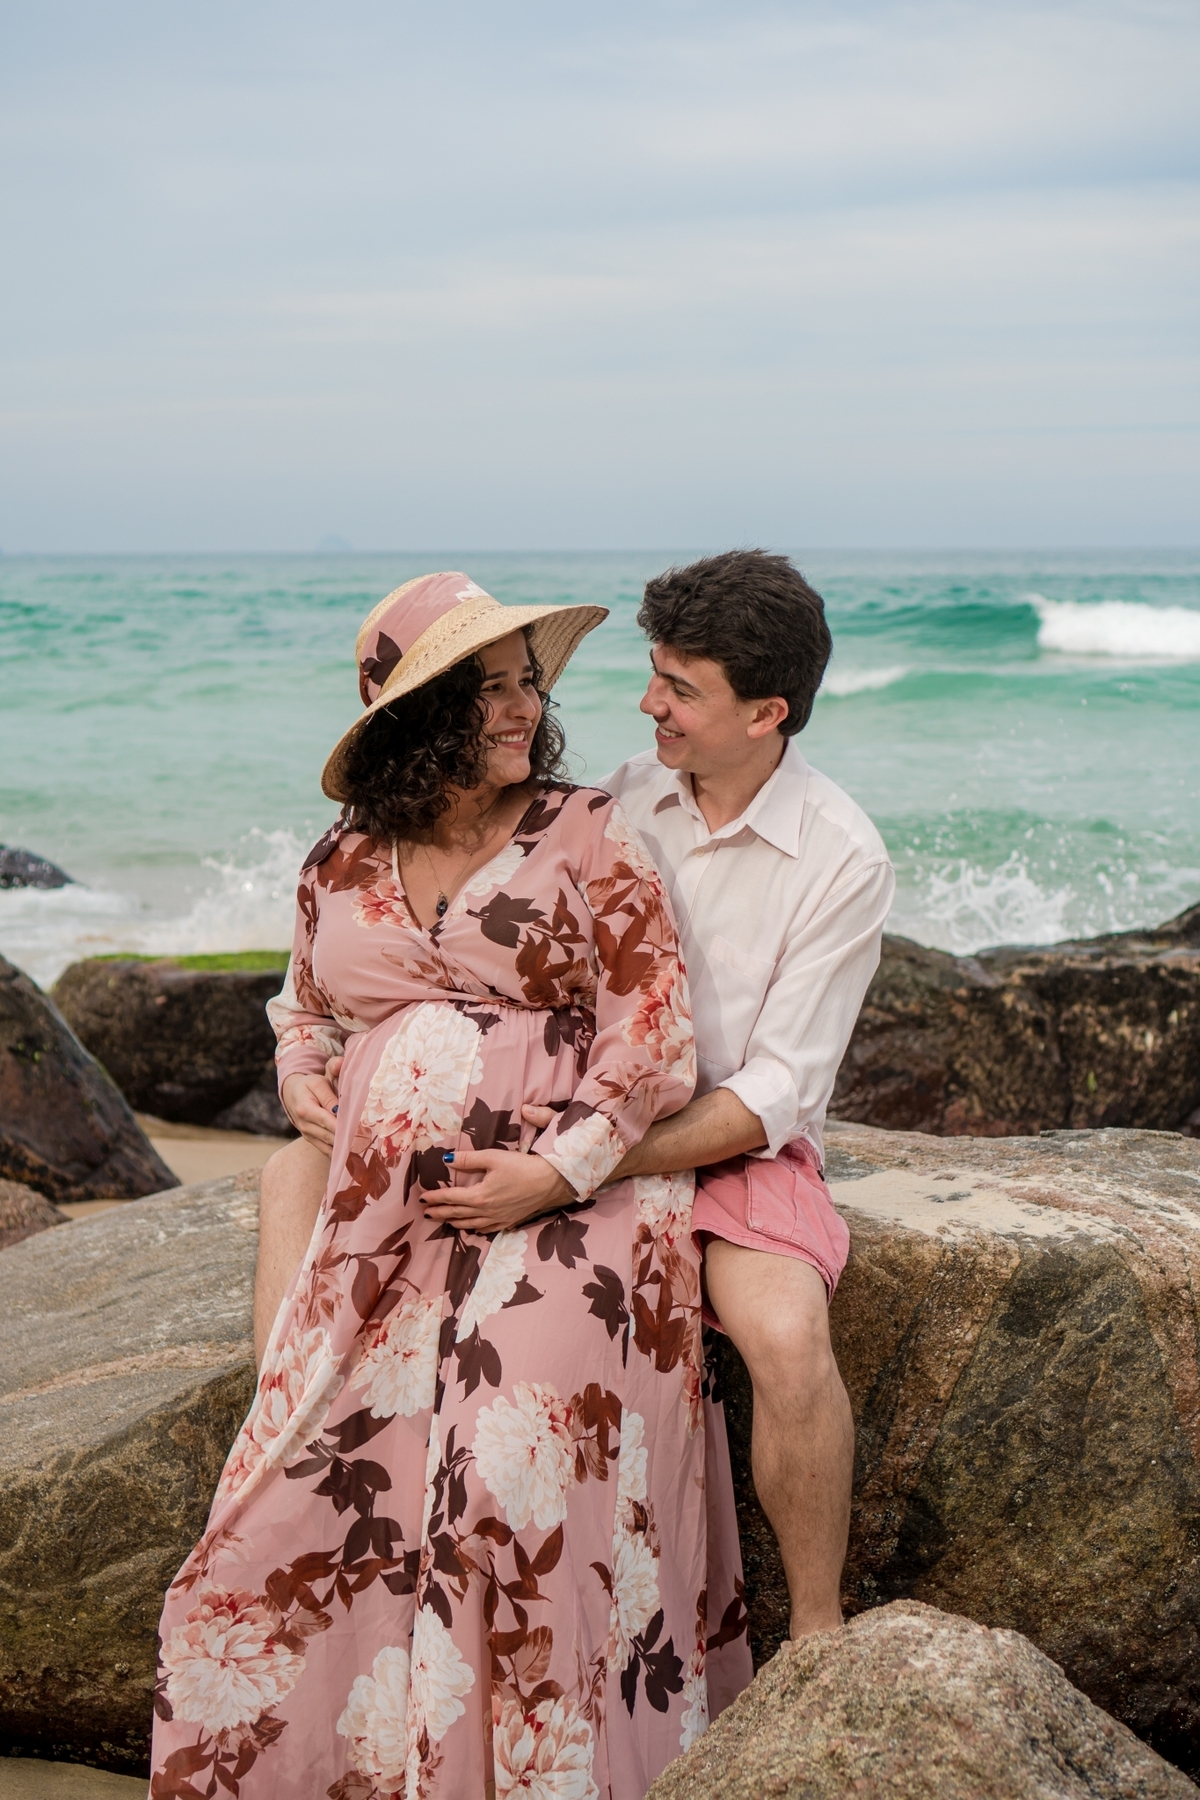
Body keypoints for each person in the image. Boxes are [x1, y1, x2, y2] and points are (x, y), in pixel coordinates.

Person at [151, 573, 751, 1800]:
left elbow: (653, 1036)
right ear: (421, 717)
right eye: (494, 687)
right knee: (294, 1501)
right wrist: (304, 1072)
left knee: (503, 1483)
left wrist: (552, 1170)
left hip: (575, 1212)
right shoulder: (343, 856)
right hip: (382, 1231)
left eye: (530, 680)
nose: (527, 704)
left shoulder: (591, 831)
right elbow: (302, 1000)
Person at [256, 548, 894, 1644]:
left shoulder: (839, 857)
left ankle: (820, 1630)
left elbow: (778, 1088)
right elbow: (423, 956)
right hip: (553, 1132)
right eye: (652, 672)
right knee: (291, 1182)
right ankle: (292, 1478)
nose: (645, 702)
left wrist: (570, 1168)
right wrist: (317, 1070)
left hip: (720, 1136)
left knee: (786, 1336)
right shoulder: (626, 793)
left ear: (766, 712)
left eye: (679, 688)